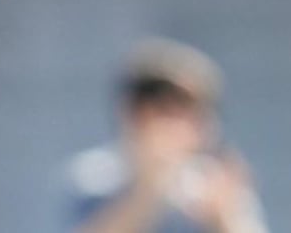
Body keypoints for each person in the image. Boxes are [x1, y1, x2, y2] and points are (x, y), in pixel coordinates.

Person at [64, 38, 268, 233]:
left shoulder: (213, 183)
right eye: (162, 109)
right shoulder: (96, 179)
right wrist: (150, 188)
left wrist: (224, 216)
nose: (175, 124)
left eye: (187, 109)